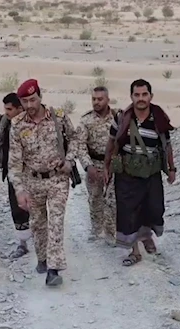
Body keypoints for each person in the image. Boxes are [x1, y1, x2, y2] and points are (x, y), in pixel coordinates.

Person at [8, 79, 80, 286]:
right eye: (25, 101)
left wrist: (69, 160)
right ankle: (42, 258)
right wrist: (19, 190)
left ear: (40, 96)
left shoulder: (58, 117)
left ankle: (54, 269)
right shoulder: (17, 125)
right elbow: (14, 162)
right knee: (38, 224)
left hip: (57, 179)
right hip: (33, 181)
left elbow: (74, 139)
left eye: (33, 99)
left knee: (56, 223)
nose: (30, 105)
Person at [104, 79, 176, 267]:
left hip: (151, 172)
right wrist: (107, 167)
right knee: (128, 212)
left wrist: (171, 168)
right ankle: (134, 251)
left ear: (151, 96)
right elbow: (111, 143)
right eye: (137, 95)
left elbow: (167, 145)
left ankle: (146, 235)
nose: (141, 98)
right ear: (131, 96)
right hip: (127, 173)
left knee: (154, 208)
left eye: (145, 94)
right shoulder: (122, 118)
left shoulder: (159, 117)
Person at [0, 93, 30, 258]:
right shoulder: (3, 124)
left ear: (20, 108)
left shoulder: (32, 122)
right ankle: (23, 243)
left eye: (10, 109)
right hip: (13, 173)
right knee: (17, 208)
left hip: (34, 174)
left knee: (37, 209)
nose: (7, 112)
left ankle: (43, 243)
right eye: (5, 109)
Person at [77, 86, 120, 245]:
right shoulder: (85, 121)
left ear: (108, 100)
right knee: (95, 198)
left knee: (112, 200)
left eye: (100, 99)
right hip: (94, 164)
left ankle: (111, 232)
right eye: (94, 99)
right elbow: (80, 145)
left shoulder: (118, 117)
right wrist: (88, 166)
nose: (96, 102)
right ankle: (96, 230)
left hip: (114, 165)